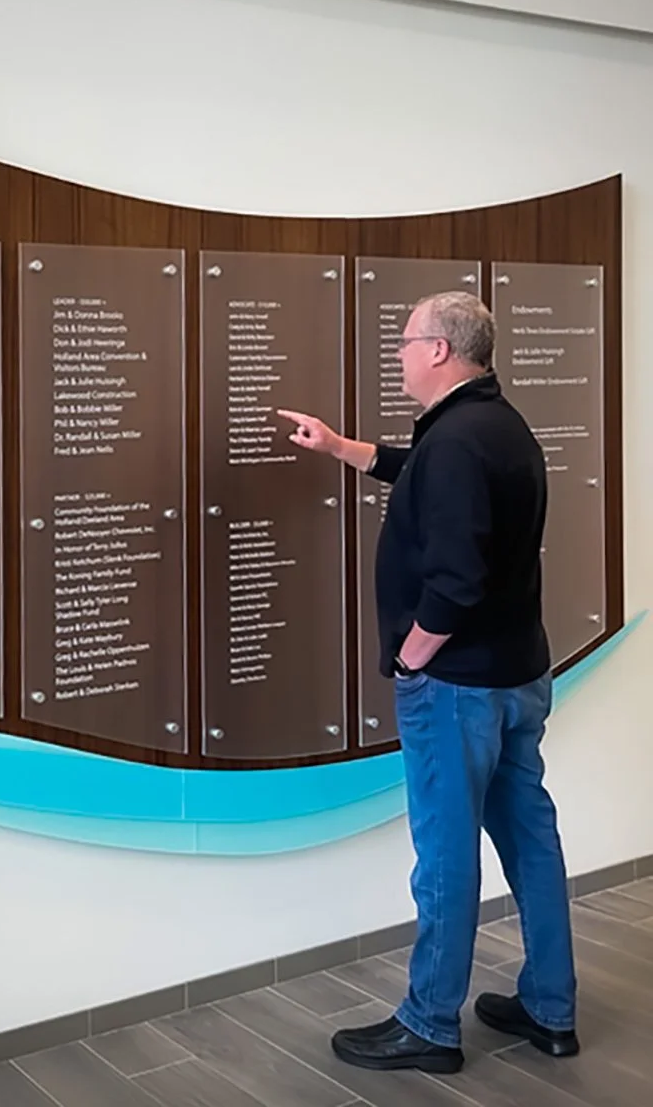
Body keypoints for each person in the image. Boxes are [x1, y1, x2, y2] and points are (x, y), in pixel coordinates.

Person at [278, 291, 578, 1075]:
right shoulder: (495, 426)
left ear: (441, 350)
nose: (401, 352)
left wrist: (413, 656)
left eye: (408, 340)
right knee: (531, 841)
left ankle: (429, 1023)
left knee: (444, 854)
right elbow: (425, 477)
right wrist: (343, 447)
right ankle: (551, 1008)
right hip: (517, 676)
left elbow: (453, 578)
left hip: (456, 687)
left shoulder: (457, 441)